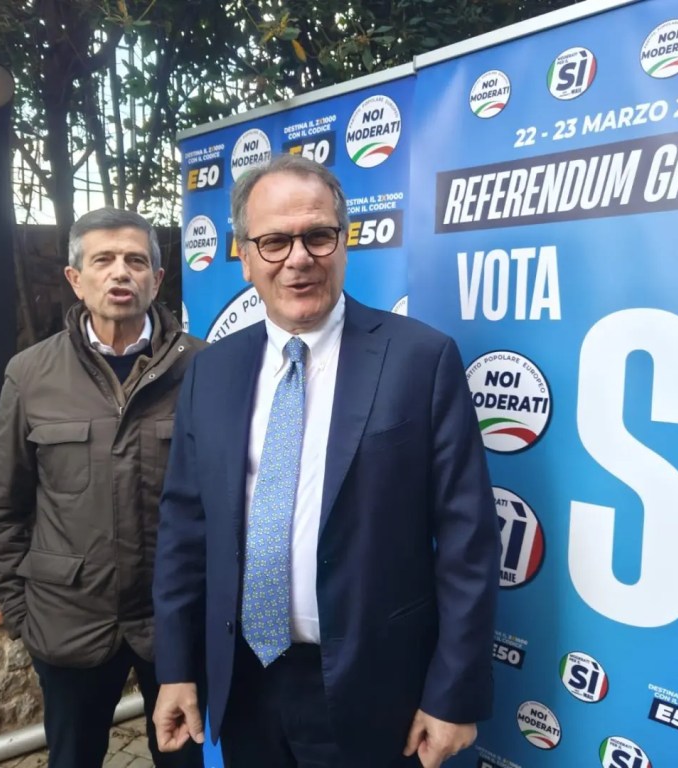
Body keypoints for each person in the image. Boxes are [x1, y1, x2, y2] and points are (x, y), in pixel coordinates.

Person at [152, 154, 501, 768]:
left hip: (376, 692)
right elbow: (185, 529)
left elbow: (467, 540)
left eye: (318, 235)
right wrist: (177, 668)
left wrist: (454, 694)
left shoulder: (420, 360)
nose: (299, 258)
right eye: (275, 241)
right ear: (245, 255)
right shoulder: (212, 370)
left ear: (344, 243)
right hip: (243, 683)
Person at [0, 208, 206, 768]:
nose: (120, 273)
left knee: (186, 760)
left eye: (135, 260)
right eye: (103, 260)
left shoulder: (204, 368)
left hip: (175, 624)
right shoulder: (31, 374)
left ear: (156, 277)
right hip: (67, 622)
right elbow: (0, 508)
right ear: (76, 279)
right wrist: (21, 615)